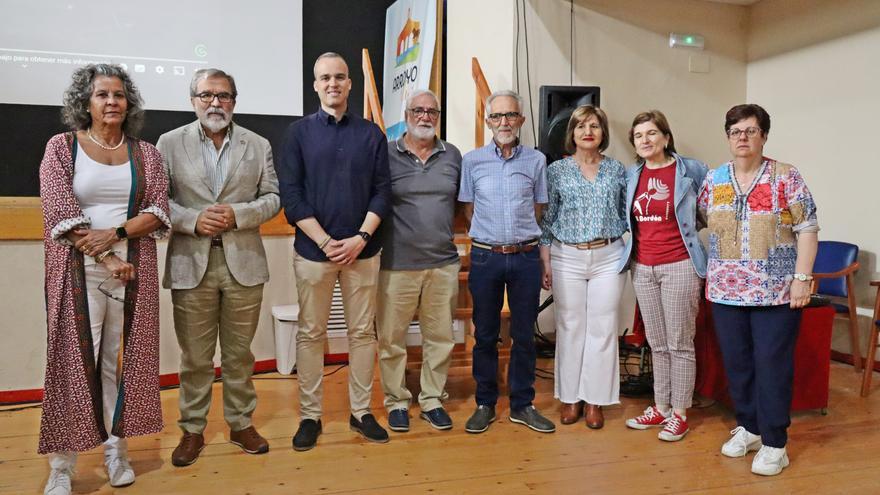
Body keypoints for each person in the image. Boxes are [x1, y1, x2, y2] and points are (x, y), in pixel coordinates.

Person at [38, 64, 170, 495]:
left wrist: (116, 238)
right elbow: (59, 212)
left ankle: (118, 453)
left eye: (118, 95)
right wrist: (109, 257)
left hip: (135, 272)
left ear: (128, 103)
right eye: (101, 95)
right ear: (86, 102)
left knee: (121, 363)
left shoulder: (147, 153)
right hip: (77, 270)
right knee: (74, 363)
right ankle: (63, 465)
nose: (111, 102)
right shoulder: (62, 148)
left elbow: (157, 211)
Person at [157, 68, 280, 466]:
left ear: (234, 101)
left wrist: (238, 214)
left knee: (240, 354)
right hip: (190, 262)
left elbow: (273, 197)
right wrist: (193, 220)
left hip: (243, 262)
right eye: (207, 95)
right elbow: (158, 200)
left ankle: (240, 423)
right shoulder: (169, 143)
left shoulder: (258, 145)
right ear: (193, 100)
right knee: (195, 356)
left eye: (223, 95)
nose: (215, 103)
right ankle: (192, 429)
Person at [277, 52, 392, 450]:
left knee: (362, 333)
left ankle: (361, 412)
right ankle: (311, 417)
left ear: (349, 84)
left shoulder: (372, 135)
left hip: (364, 249)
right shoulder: (297, 134)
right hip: (313, 252)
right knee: (311, 333)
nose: (333, 84)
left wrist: (361, 237)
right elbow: (291, 198)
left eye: (340, 77)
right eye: (325, 77)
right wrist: (325, 241)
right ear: (315, 85)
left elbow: (382, 192)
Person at [698, 103, 818, 476]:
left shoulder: (786, 176)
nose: (743, 137)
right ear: (728, 137)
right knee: (738, 366)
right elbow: (699, 221)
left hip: (776, 292)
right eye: (736, 131)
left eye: (751, 130)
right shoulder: (714, 179)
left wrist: (802, 279)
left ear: (764, 135)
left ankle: (775, 443)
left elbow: (808, 228)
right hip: (725, 291)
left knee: (772, 366)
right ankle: (749, 427)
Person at [459, 90, 555, 435]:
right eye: (497, 116)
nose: (504, 123)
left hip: (526, 257)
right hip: (486, 257)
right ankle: (485, 403)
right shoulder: (471, 162)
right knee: (485, 334)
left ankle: (521, 404)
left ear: (522, 121)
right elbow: (469, 209)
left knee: (524, 336)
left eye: (511, 115)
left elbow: (539, 209)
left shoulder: (536, 161)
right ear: (488, 121)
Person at [618, 110, 708, 441]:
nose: (645, 140)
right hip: (642, 266)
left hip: (680, 264)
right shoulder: (631, 176)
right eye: (639, 135)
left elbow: (705, 214)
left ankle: (680, 412)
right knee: (656, 343)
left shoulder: (691, 170)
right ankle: (661, 406)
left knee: (679, 343)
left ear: (666, 137)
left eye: (652, 133)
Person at [376, 89, 462, 432]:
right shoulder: (385, 154)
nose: (425, 116)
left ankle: (431, 399)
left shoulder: (453, 155)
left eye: (431, 111)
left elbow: (462, 205)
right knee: (391, 339)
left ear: (437, 117)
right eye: (418, 110)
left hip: (443, 264)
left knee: (440, 337)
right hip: (397, 264)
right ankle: (396, 401)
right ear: (406, 115)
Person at [539, 105, 627, 430]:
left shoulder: (618, 170)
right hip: (567, 256)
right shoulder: (556, 171)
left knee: (603, 328)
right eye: (580, 126)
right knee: (570, 326)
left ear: (603, 132)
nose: (587, 131)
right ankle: (570, 397)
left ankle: (595, 400)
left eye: (594, 125)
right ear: (572, 134)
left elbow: (624, 214)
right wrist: (545, 260)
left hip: (608, 255)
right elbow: (547, 219)